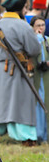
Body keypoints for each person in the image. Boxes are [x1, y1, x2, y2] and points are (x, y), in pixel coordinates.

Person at [0, 0, 41, 146]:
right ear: (21, 9)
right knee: (20, 105)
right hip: (17, 69)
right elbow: (34, 49)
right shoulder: (23, 26)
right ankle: (25, 136)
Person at [30, 16, 49, 144]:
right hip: (35, 77)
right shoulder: (32, 41)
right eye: (38, 25)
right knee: (38, 104)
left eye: (42, 25)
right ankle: (38, 135)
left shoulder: (47, 40)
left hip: (46, 78)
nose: (41, 28)